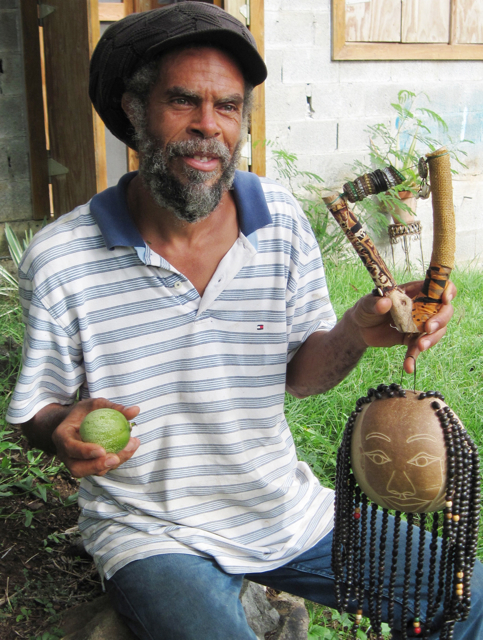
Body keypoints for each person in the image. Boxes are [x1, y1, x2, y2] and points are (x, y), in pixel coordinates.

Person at [7, 3, 482, 639]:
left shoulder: (280, 223)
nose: (209, 128)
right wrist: (60, 433)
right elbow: (37, 411)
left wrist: (352, 333)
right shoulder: (64, 258)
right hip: (152, 532)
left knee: (470, 593)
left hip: (282, 511)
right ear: (133, 110)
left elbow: (302, 377)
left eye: (228, 107)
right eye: (184, 102)